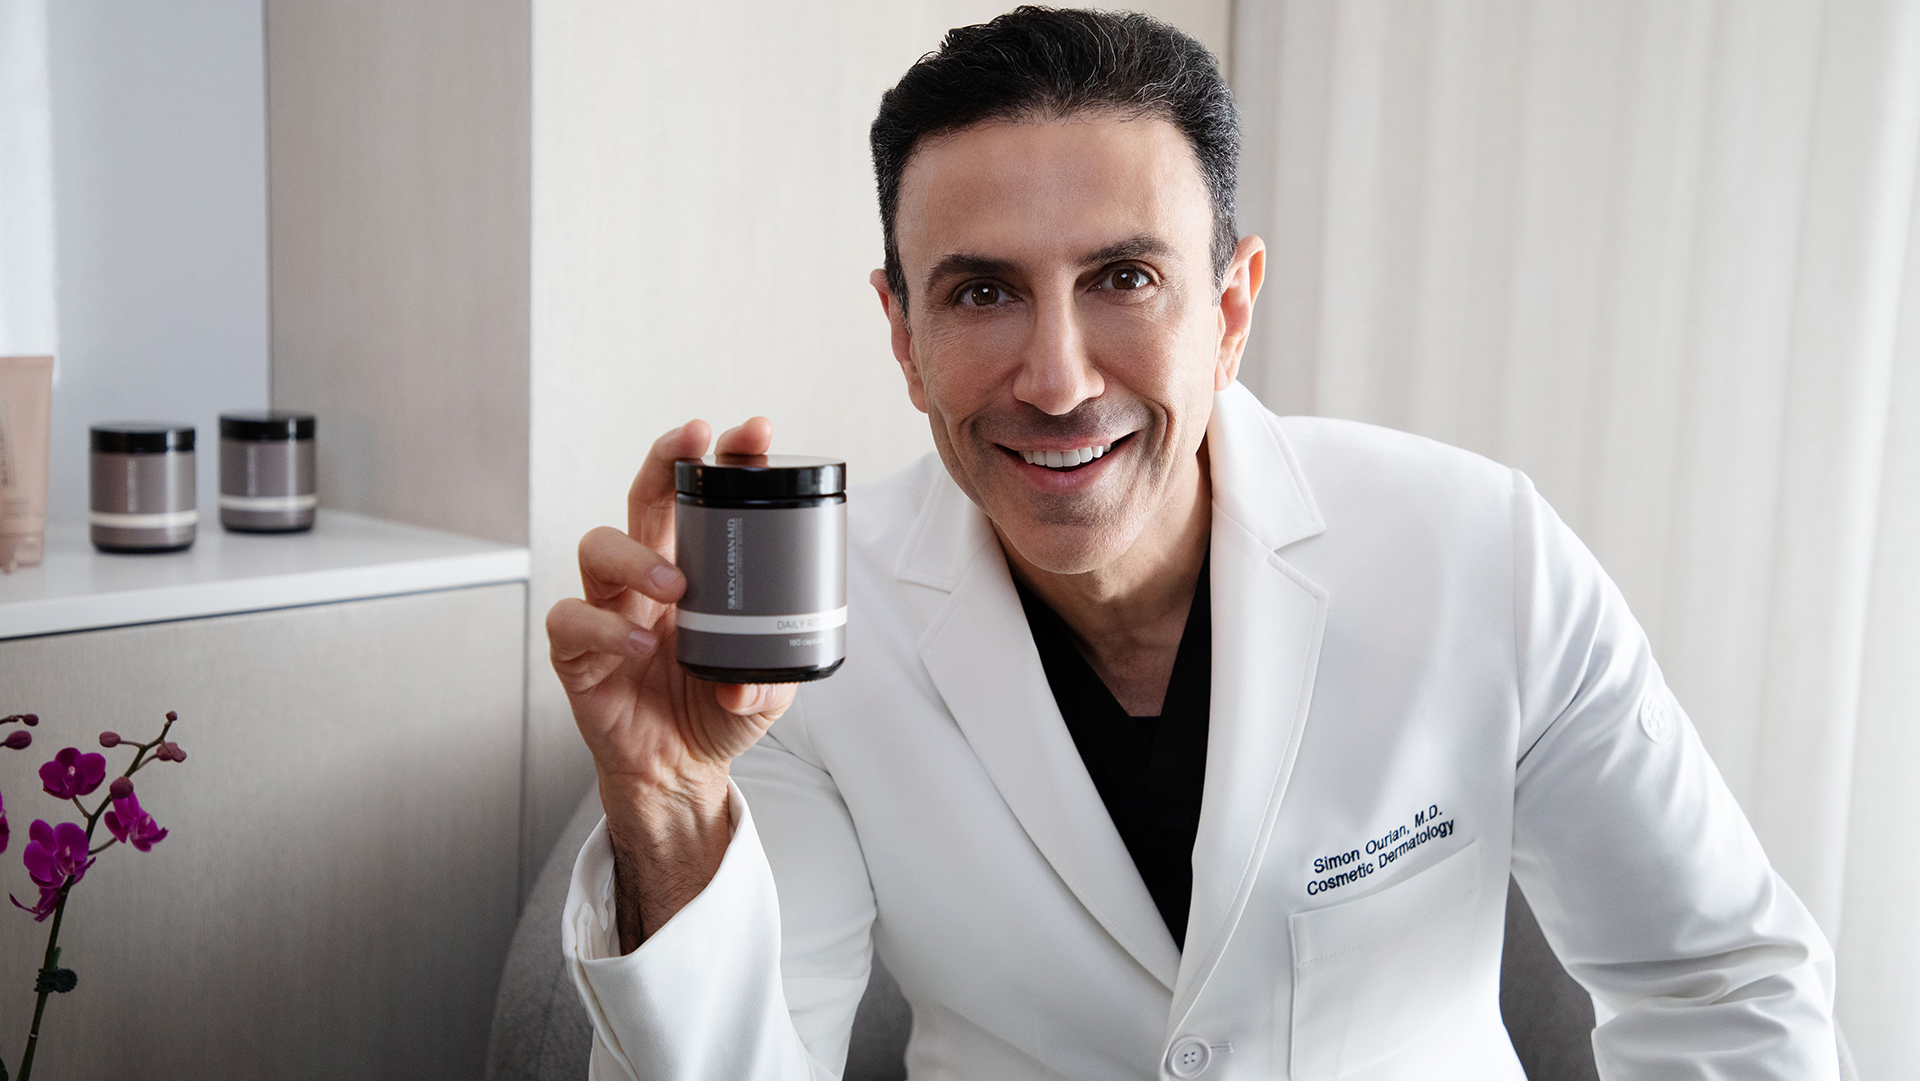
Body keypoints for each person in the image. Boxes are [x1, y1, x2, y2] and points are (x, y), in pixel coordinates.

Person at [545, 8, 1837, 1079]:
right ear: (904, 336)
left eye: (1124, 278)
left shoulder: (1480, 552)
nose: (1057, 379)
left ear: (1229, 309)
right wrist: (672, 806)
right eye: (983, 291)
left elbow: (1722, 986)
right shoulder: (812, 639)